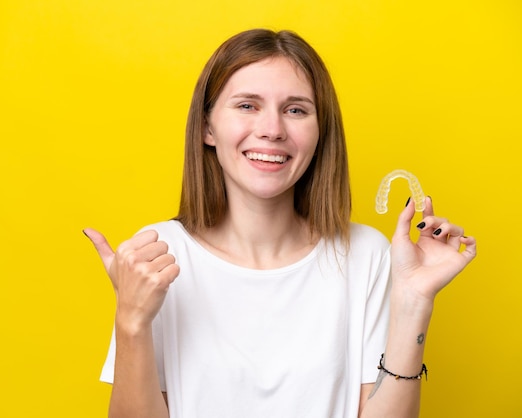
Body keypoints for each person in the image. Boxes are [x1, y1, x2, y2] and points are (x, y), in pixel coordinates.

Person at [83, 28, 476, 418]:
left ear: (320, 133)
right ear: (207, 128)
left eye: (295, 109)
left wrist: (414, 302)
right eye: (247, 106)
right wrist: (131, 321)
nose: (272, 129)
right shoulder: (159, 257)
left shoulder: (367, 255)